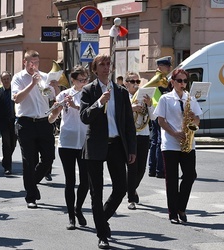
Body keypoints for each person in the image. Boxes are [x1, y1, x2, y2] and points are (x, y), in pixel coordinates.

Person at [80, 54, 136, 249]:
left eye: (107, 64)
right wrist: (99, 103)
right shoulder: (89, 90)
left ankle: (101, 220)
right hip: (95, 145)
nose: (105, 67)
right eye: (101, 65)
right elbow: (85, 117)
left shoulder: (120, 91)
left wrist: (132, 148)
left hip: (116, 145)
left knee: (121, 188)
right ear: (95, 70)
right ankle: (102, 234)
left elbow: (129, 122)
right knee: (96, 193)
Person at [11, 50, 60, 209]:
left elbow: (55, 99)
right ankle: (31, 196)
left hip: (44, 122)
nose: (34, 66)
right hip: (26, 123)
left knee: (49, 158)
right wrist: (32, 84)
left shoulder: (45, 77)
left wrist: (56, 88)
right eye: (31, 63)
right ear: (25, 62)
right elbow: (17, 99)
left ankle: (32, 183)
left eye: (37, 62)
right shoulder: (18, 78)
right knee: (29, 161)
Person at [153, 68, 201, 224]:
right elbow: (161, 120)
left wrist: (194, 119)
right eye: (179, 81)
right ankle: (173, 213)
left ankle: (181, 206)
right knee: (171, 179)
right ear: (172, 82)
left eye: (185, 81)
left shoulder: (190, 98)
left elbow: (197, 120)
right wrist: (174, 133)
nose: (183, 84)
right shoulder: (165, 99)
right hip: (170, 143)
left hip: (187, 142)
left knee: (190, 175)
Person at [48, 65, 89, 230]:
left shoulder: (90, 94)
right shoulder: (63, 95)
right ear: (73, 80)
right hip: (67, 142)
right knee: (70, 181)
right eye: (81, 80)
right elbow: (51, 120)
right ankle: (71, 217)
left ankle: (78, 209)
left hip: (85, 142)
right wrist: (57, 109)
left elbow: (90, 113)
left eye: (86, 79)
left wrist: (75, 106)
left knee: (85, 181)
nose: (84, 82)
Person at [125, 72, 155, 210]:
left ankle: (129, 188)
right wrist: (132, 108)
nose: (136, 84)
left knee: (142, 169)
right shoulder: (123, 96)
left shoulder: (144, 96)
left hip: (143, 134)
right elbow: (118, 114)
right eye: (133, 81)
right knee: (132, 168)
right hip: (130, 136)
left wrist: (149, 105)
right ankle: (131, 197)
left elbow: (153, 117)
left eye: (138, 81)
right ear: (126, 82)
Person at [144, 56, 172, 178]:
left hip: (155, 111)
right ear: (160, 67)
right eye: (167, 66)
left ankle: (153, 168)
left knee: (155, 141)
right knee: (160, 141)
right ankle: (160, 170)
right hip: (159, 112)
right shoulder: (160, 79)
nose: (169, 68)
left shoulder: (162, 79)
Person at [0, 71, 17, 175]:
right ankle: (8, 167)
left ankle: (5, 161)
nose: (6, 81)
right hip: (3, 122)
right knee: (6, 143)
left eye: (7, 79)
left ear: (10, 79)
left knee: (13, 144)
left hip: (15, 122)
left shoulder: (16, 91)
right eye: (4, 79)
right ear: (1, 81)